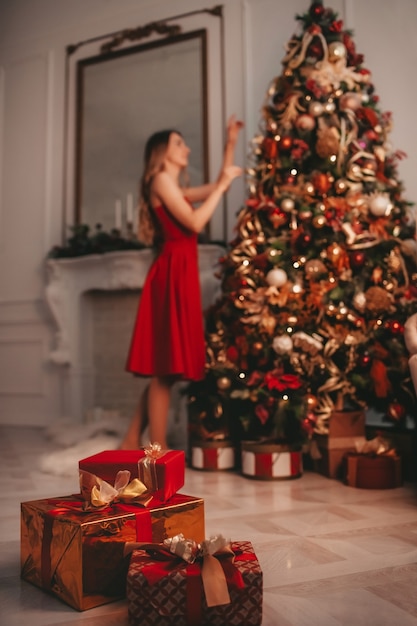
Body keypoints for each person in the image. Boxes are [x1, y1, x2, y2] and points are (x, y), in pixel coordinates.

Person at [120, 115, 244, 449]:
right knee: (164, 370)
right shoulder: (161, 179)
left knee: (169, 369)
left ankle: (132, 438)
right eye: (179, 143)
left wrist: (231, 142)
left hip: (181, 271)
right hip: (171, 272)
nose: (186, 148)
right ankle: (155, 453)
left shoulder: (174, 187)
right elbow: (194, 221)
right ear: (163, 152)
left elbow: (222, 181)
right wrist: (219, 188)